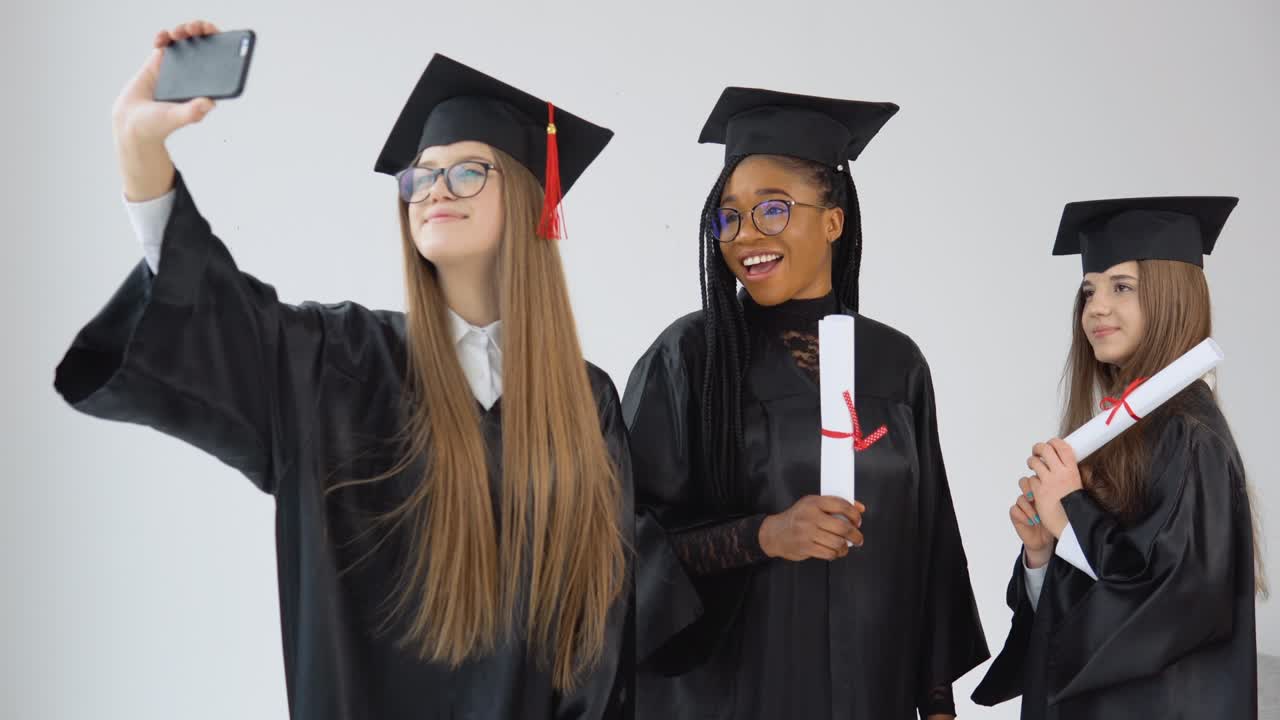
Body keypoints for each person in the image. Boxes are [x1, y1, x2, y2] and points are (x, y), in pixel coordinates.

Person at [54, 21, 632, 719]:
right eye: (421, 174)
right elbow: (215, 314)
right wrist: (138, 147)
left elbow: (597, 630)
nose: (433, 189)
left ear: (528, 195)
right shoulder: (337, 362)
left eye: (468, 170)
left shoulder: (584, 399)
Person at [625, 86, 988, 720]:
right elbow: (622, 544)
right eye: (728, 216)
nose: (743, 236)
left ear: (832, 220)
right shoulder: (691, 357)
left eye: (771, 210)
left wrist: (937, 707)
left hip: (869, 693)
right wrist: (765, 534)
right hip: (737, 696)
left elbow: (930, 554)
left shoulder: (895, 364)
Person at [972, 196, 1263, 719]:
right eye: (1089, 292)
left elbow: (1173, 604)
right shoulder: (1121, 431)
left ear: (1173, 297)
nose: (1097, 308)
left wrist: (1073, 517)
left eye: (1122, 287)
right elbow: (1095, 600)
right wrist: (1042, 554)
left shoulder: (1190, 438)